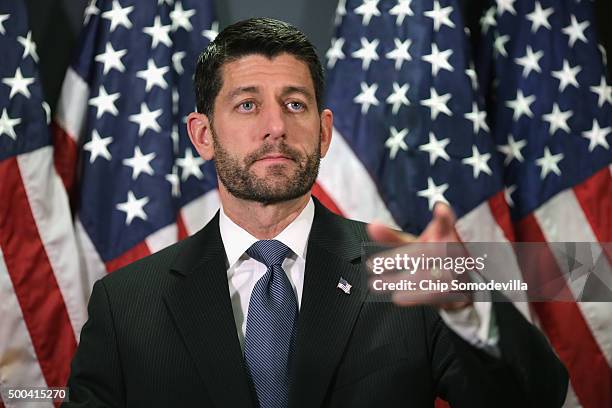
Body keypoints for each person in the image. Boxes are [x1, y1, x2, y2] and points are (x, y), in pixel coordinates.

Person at [64, 17, 568, 408]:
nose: (275, 127)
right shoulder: (126, 305)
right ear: (202, 135)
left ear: (324, 132)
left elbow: (535, 397)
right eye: (246, 105)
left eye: (295, 104)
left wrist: (471, 305)